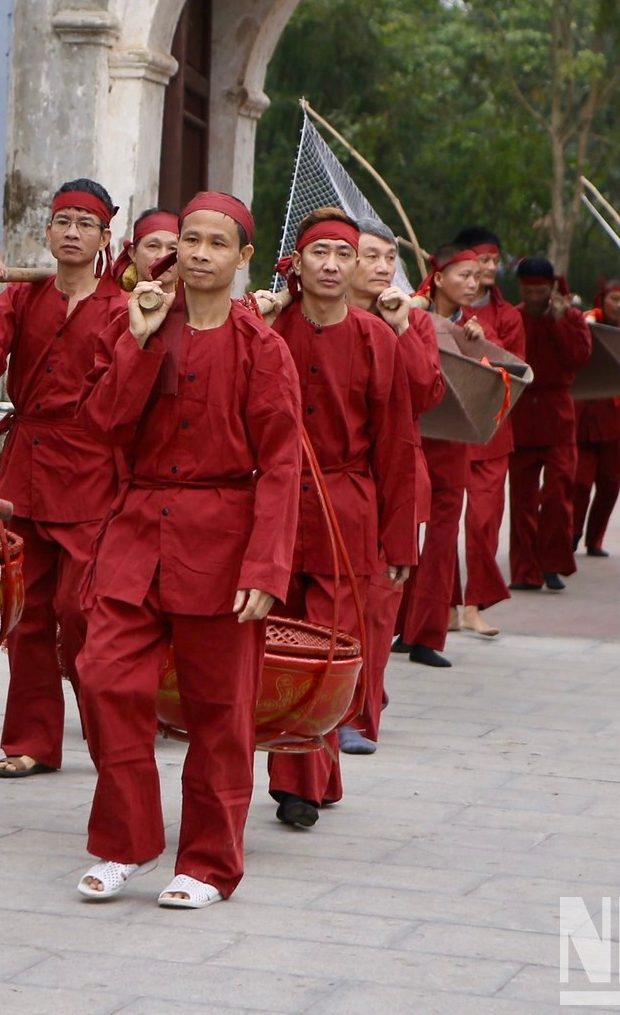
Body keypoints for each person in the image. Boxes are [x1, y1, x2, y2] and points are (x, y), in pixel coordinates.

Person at [72, 191, 301, 909]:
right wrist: (137, 339)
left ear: (241, 258)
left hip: (223, 539)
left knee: (219, 710)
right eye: (189, 240)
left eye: (215, 243)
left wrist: (266, 567)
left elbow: (283, 463)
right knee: (102, 676)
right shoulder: (143, 324)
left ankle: (206, 863)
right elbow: (104, 422)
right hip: (137, 529)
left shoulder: (262, 348)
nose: (199, 253)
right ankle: (127, 842)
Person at [0, 180, 124, 778]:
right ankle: (30, 741)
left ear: (107, 238)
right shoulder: (24, 295)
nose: (72, 231)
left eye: (85, 223)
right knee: (26, 612)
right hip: (27, 464)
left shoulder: (126, 306)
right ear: (48, 232)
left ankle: (112, 738)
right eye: (63, 221)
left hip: (93, 472)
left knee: (84, 614)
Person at [256, 208, 417, 822]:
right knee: (278, 641)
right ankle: (309, 774)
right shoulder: (267, 331)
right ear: (296, 263)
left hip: (347, 510)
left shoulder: (378, 340)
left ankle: (299, 783)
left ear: (357, 267)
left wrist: (399, 542)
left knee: (326, 646)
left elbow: (396, 444)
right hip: (273, 506)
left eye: (342, 255)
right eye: (318, 252)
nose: (330, 264)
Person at [336, 223, 451, 670]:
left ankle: (363, 706)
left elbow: (426, 394)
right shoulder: (319, 315)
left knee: (380, 600)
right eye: (371, 256)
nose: (383, 267)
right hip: (333, 480)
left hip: (395, 477)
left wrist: (401, 325)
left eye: (390, 257)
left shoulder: (413, 320)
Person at [423, 244, 504, 637]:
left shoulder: (474, 327)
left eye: (478, 277)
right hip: (413, 438)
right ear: (438, 278)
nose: (474, 284)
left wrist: (475, 344)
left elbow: (490, 380)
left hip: (454, 441)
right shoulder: (406, 312)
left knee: (443, 536)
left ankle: (429, 629)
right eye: (465, 275)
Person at [505, 258, 594, 592]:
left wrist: (559, 322)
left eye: (540, 291)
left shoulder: (570, 317)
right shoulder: (513, 316)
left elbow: (580, 358)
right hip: (522, 412)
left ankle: (552, 563)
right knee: (522, 499)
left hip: (558, 413)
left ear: (551, 289)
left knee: (559, 491)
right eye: (528, 291)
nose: (533, 297)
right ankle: (524, 570)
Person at [572, 280, 620, 558]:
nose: (619, 305)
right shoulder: (587, 325)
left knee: (610, 483)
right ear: (602, 299)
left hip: (615, 418)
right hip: (585, 416)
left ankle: (595, 539)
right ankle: (572, 534)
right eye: (614, 299)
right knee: (580, 483)